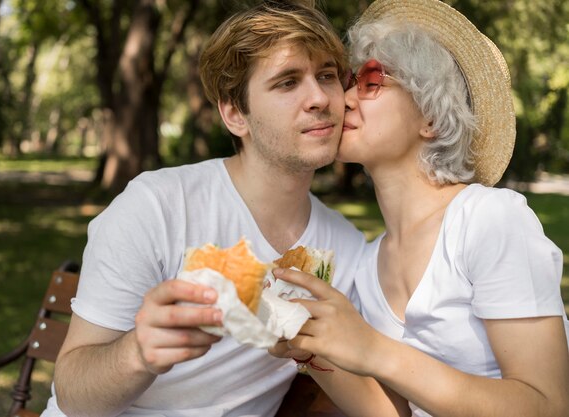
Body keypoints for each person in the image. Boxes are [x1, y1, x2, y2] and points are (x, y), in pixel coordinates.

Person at [40, 1, 366, 416]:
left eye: (326, 76)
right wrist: (136, 354)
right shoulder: (157, 207)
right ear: (234, 114)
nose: (319, 97)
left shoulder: (347, 250)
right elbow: (72, 394)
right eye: (287, 83)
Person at [269, 0, 569, 416]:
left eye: (371, 82)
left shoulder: (488, 220)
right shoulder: (368, 264)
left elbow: (548, 406)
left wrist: (372, 349)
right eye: (350, 82)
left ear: (429, 115)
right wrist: (307, 345)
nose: (345, 100)